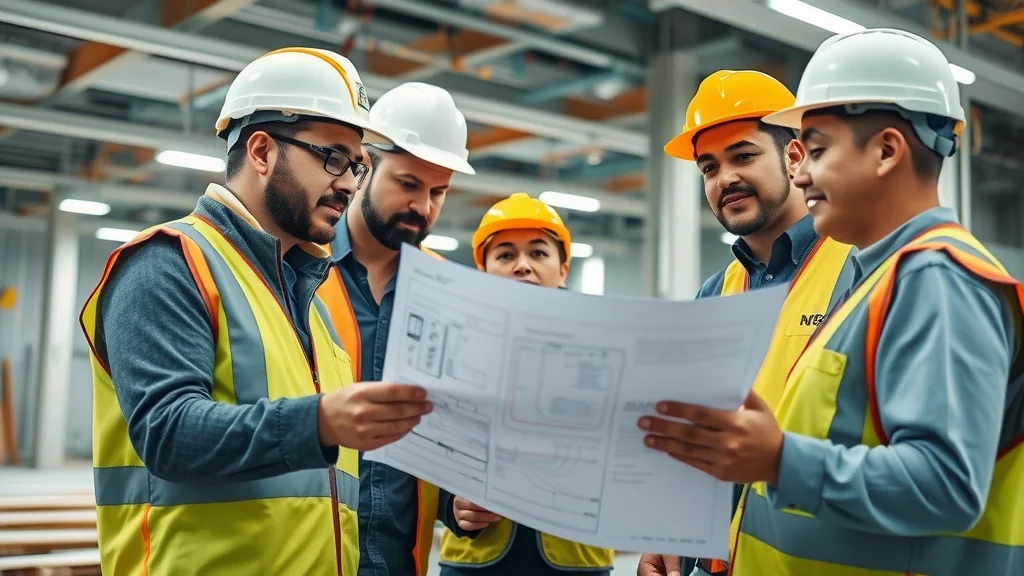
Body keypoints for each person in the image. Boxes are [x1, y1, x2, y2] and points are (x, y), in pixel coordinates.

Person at [639, 28, 1024, 576]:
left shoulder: (935, 278)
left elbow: (945, 483)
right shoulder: (881, 275)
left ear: (887, 150)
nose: (802, 172)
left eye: (815, 150)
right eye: (708, 167)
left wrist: (777, 460)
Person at [79, 48, 435, 575]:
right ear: (262, 151)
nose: (348, 184)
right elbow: (167, 431)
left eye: (357, 166)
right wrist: (321, 420)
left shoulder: (313, 306)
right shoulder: (169, 263)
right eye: (334, 158)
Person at [637, 69, 857, 576]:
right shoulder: (714, 293)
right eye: (708, 168)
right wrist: (667, 528)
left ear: (795, 155)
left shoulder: (858, 267)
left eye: (743, 156)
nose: (724, 179)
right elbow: (696, 435)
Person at [314, 81, 476, 576]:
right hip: (310, 558)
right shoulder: (296, 270)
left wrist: (458, 506)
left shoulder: (453, 292)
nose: (423, 207)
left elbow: (451, 430)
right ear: (363, 168)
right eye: (408, 184)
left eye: (438, 192)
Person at [435, 192, 616, 576]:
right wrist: (449, 504)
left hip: (576, 562)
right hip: (475, 561)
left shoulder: (606, 352)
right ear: (483, 270)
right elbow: (428, 452)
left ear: (563, 269)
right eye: (505, 255)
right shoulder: (453, 351)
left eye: (538, 253)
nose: (522, 267)